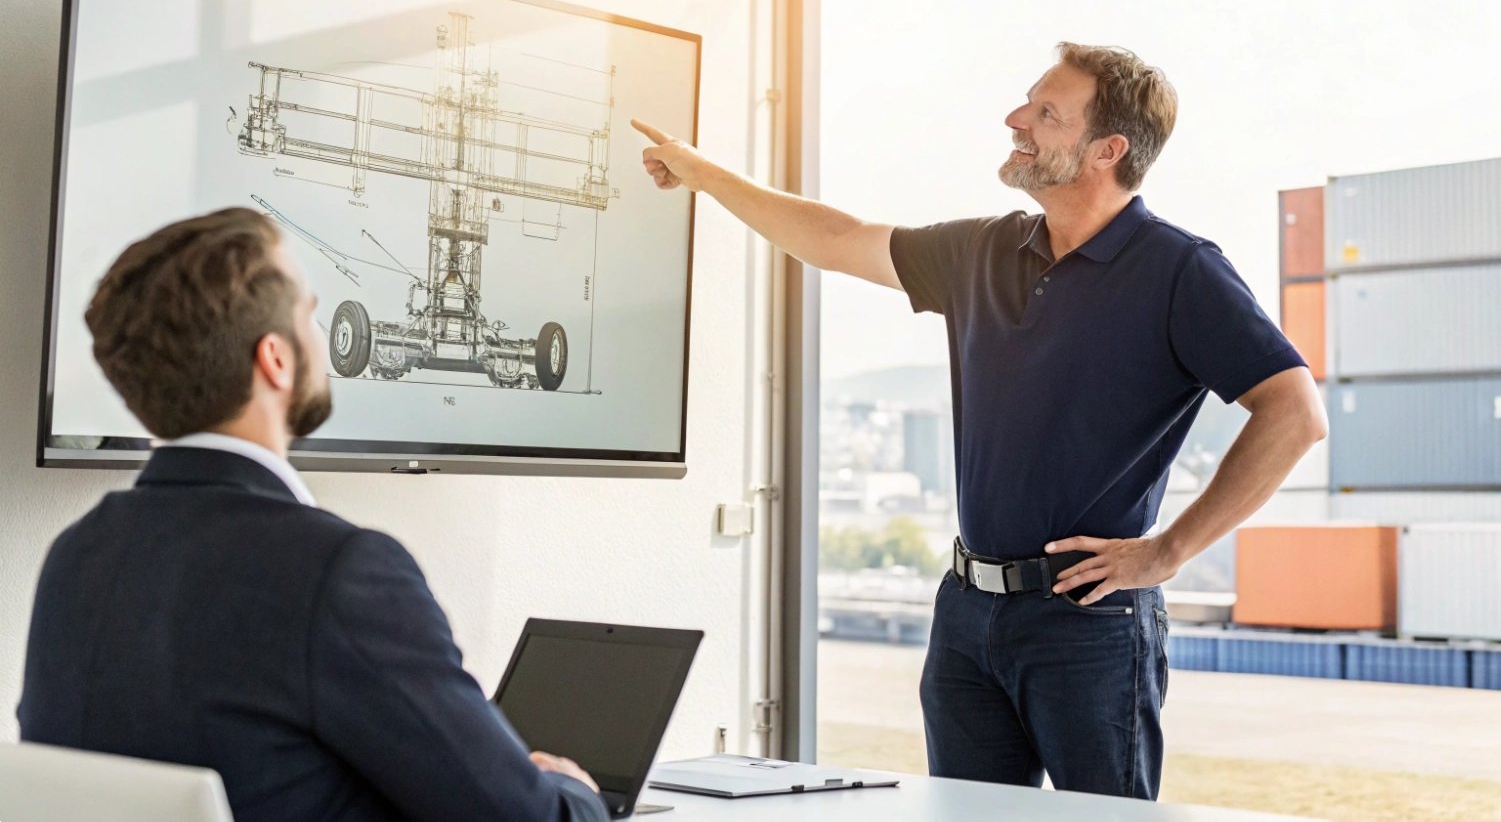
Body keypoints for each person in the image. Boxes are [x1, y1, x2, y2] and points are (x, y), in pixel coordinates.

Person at [631, 42, 1327, 800]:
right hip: (966, 613)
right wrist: (702, 173)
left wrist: (1167, 550)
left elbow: (1293, 411)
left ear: (1108, 149)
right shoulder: (983, 248)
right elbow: (833, 238)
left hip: (1087, 622)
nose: (1015, 119)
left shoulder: (1178, 269)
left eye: (1045, 112)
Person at [19, 208, 607, 822]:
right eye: (309, 313)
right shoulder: (338, 573)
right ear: (275, 358)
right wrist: (577, 793)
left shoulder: (78, 556)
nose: (320, 334)